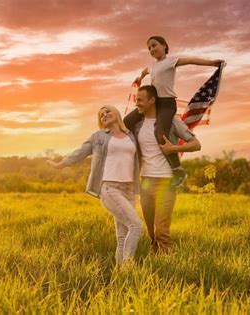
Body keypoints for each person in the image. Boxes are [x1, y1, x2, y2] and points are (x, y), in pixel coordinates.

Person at [47, 105, 143, 265]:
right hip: (110, 188)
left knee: (122, 237)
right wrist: (61, 164)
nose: (104, 115)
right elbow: (80, 153)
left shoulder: (131, 135)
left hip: (129, 190)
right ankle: (128, 269)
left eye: (107, 111)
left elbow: (140, 110)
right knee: (136, 226)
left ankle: (120, 275)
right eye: (101, 115)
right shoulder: (98, 137)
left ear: (117, 113)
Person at [131, 35, 223, 188]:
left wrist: (211, 63)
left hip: (167, 104)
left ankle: (177, 170)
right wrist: (139, 79)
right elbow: (144, 71)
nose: (152, 50)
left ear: (164, 46)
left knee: (160, 134)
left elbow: (190, 60)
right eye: (149, 48)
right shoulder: (152, 66)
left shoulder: (171, 61)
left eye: (154, 46)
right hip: (153, 103)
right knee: (127, 122)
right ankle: (136, 162)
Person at [124, 85, 201, 253]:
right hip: (145, 182)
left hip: (166, 181)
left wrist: (173, 149)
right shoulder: (137, 124)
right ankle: (155, 258)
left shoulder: (170, 120)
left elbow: (196, 144)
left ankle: (167, 265)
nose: (137, 103)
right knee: (151, 230)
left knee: (162, 229)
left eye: (140, 100)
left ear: (152, 100)